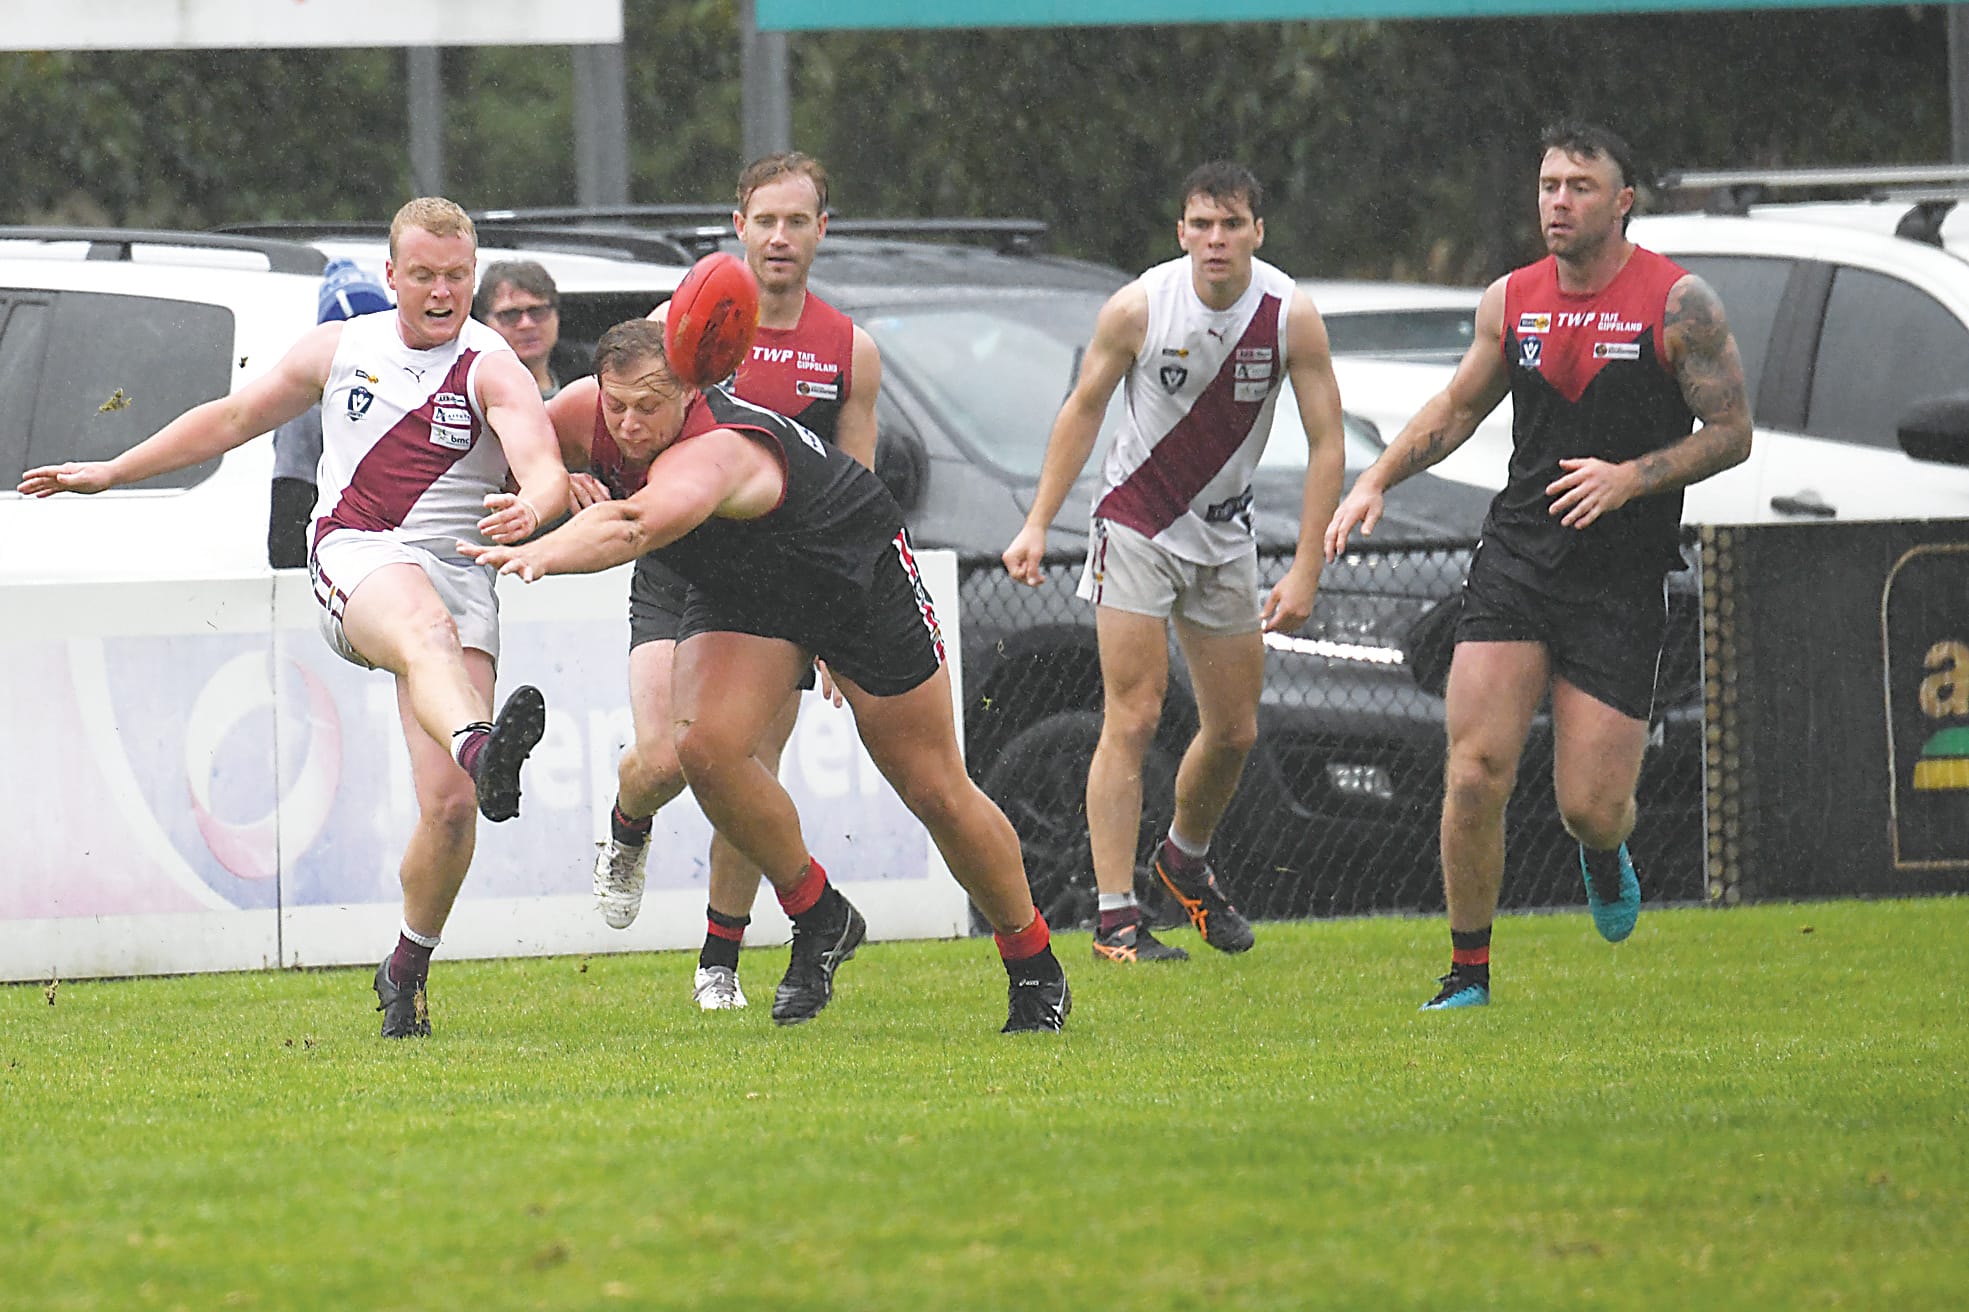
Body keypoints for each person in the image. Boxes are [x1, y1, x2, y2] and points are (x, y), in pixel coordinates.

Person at [20, 197, 571, 1039]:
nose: (440, 292)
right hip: (358, 554)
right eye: (422, 274)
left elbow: (542, 467)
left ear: (473, 274)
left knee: (454, 806)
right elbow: (233, 419)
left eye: (456, 276)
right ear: (391, 275)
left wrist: (532, 510)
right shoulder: (339, 348)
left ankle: (405, 968)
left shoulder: (493, 365)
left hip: (462, 574)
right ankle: (483, 743)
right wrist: (114, 469)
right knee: (421, 630)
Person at [468, 318, 1069, 1034]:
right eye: (616, 404)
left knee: (934, 788)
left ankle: (1033, 963)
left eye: (649, 406)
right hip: (747, 588)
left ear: (691, 392)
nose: (628, 424)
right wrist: (553, 484)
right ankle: (818, 913)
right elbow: (514, 458)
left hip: (855, 580)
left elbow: (632, 526)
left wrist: (541, 553)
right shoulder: (582, 413)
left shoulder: (719, 449)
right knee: (702, 748)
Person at [1323, 122, 1752, 1011]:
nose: (1558, 200)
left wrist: (1629, 478)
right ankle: (1467, 974)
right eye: (1549, 184)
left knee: (1589, 806)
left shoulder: (1678, 303)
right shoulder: (1510, 298)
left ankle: (1604, 852)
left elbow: (1731, 434)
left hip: (1620, 577)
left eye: (1580, 186)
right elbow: (1453, 409)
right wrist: (1374, 479)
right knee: (1475, 769)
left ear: (1622, 201)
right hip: (1517, 557)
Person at [1002, 161, 1346, 965]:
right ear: (1181, 231)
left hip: (1224, 535)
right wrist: (1035, 524)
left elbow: (1329, 441)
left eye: (1231, 225)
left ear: (1257, 232)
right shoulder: (1139, 307)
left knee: (1232, 731)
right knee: (1135, 711)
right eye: (1200, 224)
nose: (1215, 240)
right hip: (1136, 523)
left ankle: (1183, 858)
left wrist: (1304, 570)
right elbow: (1083, 410)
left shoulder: (1288, 314)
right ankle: (1115, 915)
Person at [570, 151, 882, 1013]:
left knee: (745, 766)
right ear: (737, 226)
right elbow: (602, 419)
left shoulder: (846, 348)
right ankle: (627, 827)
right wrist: (566, 479)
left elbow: (851, 493)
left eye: (797, 220)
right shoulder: (679, 324)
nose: (779, 237)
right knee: (668, 757)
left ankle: (720, 960)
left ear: (823, 229)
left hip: (770, 592)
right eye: (765, 220)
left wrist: (837, 614)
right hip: (673, 567)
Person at [268, 258, 393, 568]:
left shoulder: (414, 390)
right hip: (340, 577)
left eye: (373, 325)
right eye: (348, 334)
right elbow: (288, 530)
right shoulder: (307, 413)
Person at [475, 259, 566, 398]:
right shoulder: (469, 396)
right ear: (484, 323)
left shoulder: (593, 383)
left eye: (537, 311)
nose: (526, 324)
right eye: (510, 315)